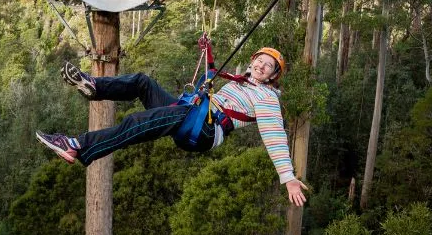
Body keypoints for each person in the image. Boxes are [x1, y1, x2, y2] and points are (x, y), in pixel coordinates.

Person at [35, 37, 310, 207]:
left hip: (204, 128)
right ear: (251, 64)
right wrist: (209, 51)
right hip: (191, 113)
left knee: (138, 122)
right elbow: (210, 75)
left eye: (268, 66)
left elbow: (274, 135)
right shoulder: (239, 82)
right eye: (259, 61)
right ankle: (96, 86)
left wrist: (288, 178)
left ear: (273, 76)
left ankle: (77, 146)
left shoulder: (267, 97)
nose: (262, 66)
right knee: (143, 82)